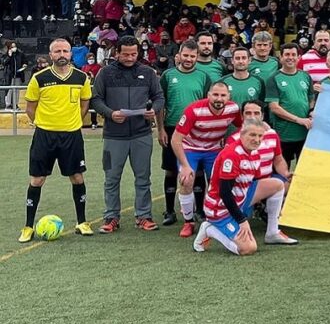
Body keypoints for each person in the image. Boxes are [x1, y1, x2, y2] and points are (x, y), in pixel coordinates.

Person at [19, 39, 93, 242]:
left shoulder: (81, 77)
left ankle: (82, 222)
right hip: (45, 135)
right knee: (37, 179)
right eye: (57, 51)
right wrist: (43, 124)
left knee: (77, 177)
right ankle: (28, 227)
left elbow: (84, 102)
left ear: (71, 54)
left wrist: (73, 121)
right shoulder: (39, 78)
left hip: (71, 135)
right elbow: (30, 108)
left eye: (65, 51)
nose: (62, 54)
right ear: (51, 55)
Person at [90, 36, 165, 234]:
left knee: (143, 178)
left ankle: (144, 216)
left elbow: (159, 97)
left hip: (141, 135)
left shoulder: (148, 73)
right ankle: (111, 217)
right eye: (125, 54)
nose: (130, 58)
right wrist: (110, 113)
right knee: (111, 178)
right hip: (113, 136)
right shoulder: (105, 73)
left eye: (133, 54)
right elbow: (95, 100)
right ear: (116, 53)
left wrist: (153, 110)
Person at [193, 118, 292, 254]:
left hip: (240, 199)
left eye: (260, 136)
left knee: (278, 184)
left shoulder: (254, 153)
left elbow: (255, 181)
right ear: (241, 134)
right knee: (248, 248)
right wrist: (242, 220)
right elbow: (225, 192)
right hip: (220, 208)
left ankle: (272, 232)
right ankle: (209, 228)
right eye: (252, 135)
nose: (257, 139)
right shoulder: (232, 155)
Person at [171, 82, 242, 237]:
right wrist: (184, 165)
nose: (219, 98)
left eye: (223, 95)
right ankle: (188, 221)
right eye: (215, 95)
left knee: (221, 183)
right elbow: (176, 139)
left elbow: (242, 128)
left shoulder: (234, 109)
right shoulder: (194, 110)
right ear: (208, 95)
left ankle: (218, 217)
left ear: (228, 97)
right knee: (186, 179)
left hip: (214, 149)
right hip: (191, 148)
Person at [224, 100, 297, 245]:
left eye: (256, 113)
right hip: (245, 184)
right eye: (248, 113)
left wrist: (285, 173)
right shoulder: (233, 139)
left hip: (267, 179)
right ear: (242, 116)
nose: (252, 116)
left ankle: (272, 228)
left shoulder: (271, 134)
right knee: (240, 228)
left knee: (289, 183)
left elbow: (278, 159)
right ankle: (257, 210)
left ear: (262, 115)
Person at [156, 40, 211, 226]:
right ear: (178, 55)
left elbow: (206, 105)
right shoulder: (168, 75)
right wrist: (161, 129)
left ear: (197, 57)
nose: (188, 59)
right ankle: (170, 211)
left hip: (196, 130)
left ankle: (200, 210)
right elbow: (160, 105)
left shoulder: (203, 77)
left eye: (192, 56)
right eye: (185, 55)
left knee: (198, 171)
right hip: (173, 129)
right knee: (171, 170)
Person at [266, 43, 314, 166]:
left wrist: (311, 112)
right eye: (287, 54)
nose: (290, 57)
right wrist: (298, 120)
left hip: (305, 134)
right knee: (283, 172)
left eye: (294, 55)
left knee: (303, 170)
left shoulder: (306, 76)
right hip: (284, 135)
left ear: (299, 57)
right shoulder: (273, 78)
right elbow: (274, 107)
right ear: (280, 57)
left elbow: (310, 100)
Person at [221, 46, 267, 112]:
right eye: (237, 58)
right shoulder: (223, 82)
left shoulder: (259, 81)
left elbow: (262, 106)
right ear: (232, 61)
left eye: (244, 58)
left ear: (249, 60)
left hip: (251, 121)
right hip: (229, 121)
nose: (241, 61)